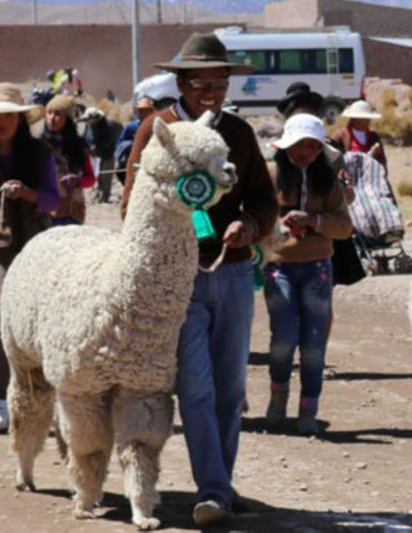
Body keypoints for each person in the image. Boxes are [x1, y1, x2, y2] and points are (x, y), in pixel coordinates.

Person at [122, 32, 278, 526]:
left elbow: (262, 198)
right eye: (201, 81)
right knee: (195, 386)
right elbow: (133, 203)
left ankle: (219, 488)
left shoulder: (238, 132)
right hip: (178, 279)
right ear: (182, 83)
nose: (212, 90)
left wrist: (249, 226)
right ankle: (212, 487)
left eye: (220, 80)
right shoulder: (157, 130)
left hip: (231, 272)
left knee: (231, 388)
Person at [0, 82, 60, 432]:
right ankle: (1, 398)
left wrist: (30, 194)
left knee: (39, 317)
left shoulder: (42, 153)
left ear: (20, 120)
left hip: (34, 246)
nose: (2, 122)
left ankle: (42, 395)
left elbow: (54, 200)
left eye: (8, 115)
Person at [264, 113, 352, 436]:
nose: (305, 152)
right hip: (279, 265)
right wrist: (279, 223)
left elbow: (344, 227)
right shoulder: (271, 174)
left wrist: (314, 221)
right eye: (299, 145)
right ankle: (278, 398)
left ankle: (308, 409)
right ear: (287, 145)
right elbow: (256, 213)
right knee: (284, 338)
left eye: (312, 146)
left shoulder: (328, 181)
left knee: (314, 344)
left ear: (320, 150)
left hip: (318, 267)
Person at [41, 95, 95, 225]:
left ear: (68, 119)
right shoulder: (39, 146)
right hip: (46, 212)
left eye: (58, 114)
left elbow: (91, 179)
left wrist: (77, 181)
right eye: (49, 113)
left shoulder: (78, 147)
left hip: (73, 213)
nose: (52, 118)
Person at [80, 107, 122, 203]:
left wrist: (98, 147)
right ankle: (98, 194)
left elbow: (110, 140)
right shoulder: (89, 125)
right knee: (97, 175)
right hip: (94, 156)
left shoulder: (109, 126)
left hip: (107, 155)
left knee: (106, 176)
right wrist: (86, 146)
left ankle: (105, 197)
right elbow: (85, 136)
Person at [331, 100, 386, 169]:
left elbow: (382, 162)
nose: (369, 121)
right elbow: (332, 159)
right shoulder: (340, 136)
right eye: (365, 118)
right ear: (355, 119)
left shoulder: (373, 137)